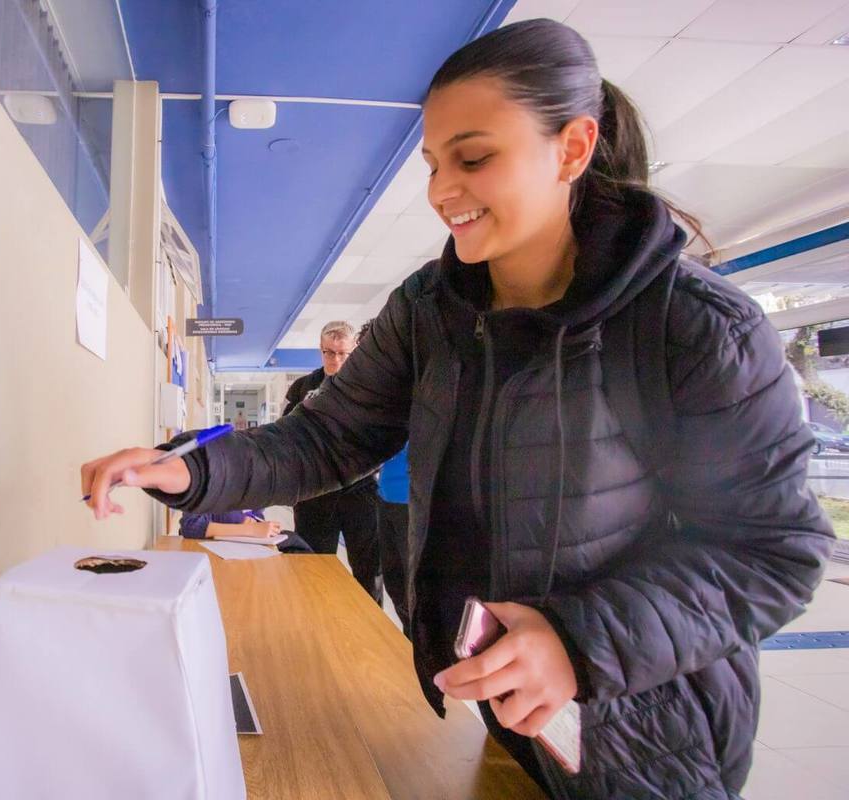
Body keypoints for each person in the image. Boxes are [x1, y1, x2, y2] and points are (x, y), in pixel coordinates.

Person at [81, 19, 833, 799]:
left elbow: (772, 555)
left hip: (642, 727)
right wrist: (192, 469)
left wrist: (578, 643)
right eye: (434, 165)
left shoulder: (700, 326)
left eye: (474, 158)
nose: (442, 192)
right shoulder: (432, 309)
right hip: (506, 700)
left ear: (572, 149)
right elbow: (329, 436)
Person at [282, 320, 383, 603]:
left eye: (342, 353)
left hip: (359, 490)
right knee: (313, 566)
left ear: (354, 352)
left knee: (369, 570)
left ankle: (369, 633)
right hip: (316, 492)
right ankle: (316, 624)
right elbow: (288, 434)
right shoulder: (304, 387)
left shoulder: (370, 389)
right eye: (328, 352)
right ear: (320, 350)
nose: (335, 359)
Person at [358, 319, 412, 636]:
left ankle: (424, 665)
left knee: (412, 594)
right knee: (394, 585)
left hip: (413, 506)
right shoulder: (383, 395)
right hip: (387, 500)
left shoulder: (418, 390)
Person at [178, 509, 313, 553]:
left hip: (247, 549)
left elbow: (256, 513)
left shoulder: (258, 479)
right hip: (210, 551)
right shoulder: (211, 475)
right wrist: (248, 529)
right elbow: (191, 526)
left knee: (294, 542)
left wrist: (259, 523)